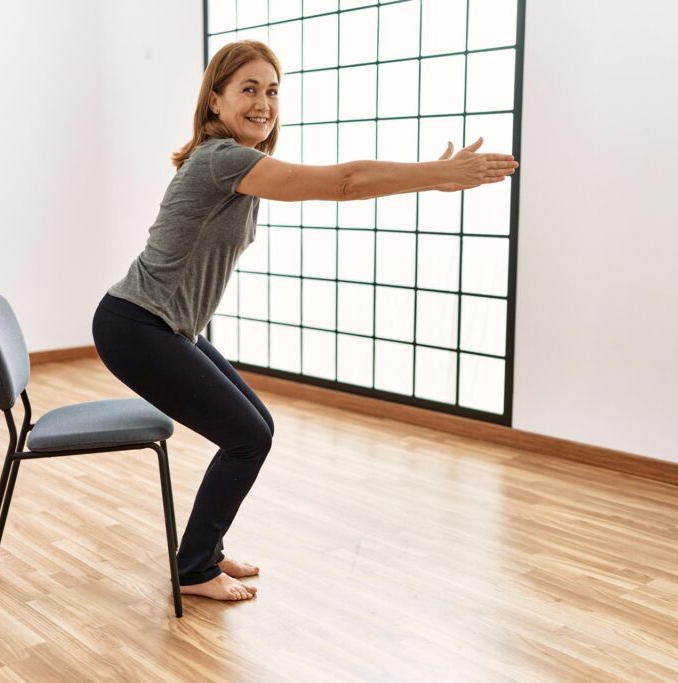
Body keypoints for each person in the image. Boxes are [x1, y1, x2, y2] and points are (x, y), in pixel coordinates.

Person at [92, 40, 518, 603]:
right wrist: (435, 174)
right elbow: (343, 183)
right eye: (248, 89)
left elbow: (341, 182)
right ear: (214, 100)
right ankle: (192, 570)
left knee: (257, 428)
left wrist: (433, 175)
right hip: (137, 327)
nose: (263, 103)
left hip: (163, 327)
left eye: (272, 91)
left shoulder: (236, 164)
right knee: (246, 438)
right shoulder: (221, 160)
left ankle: (205, 551)